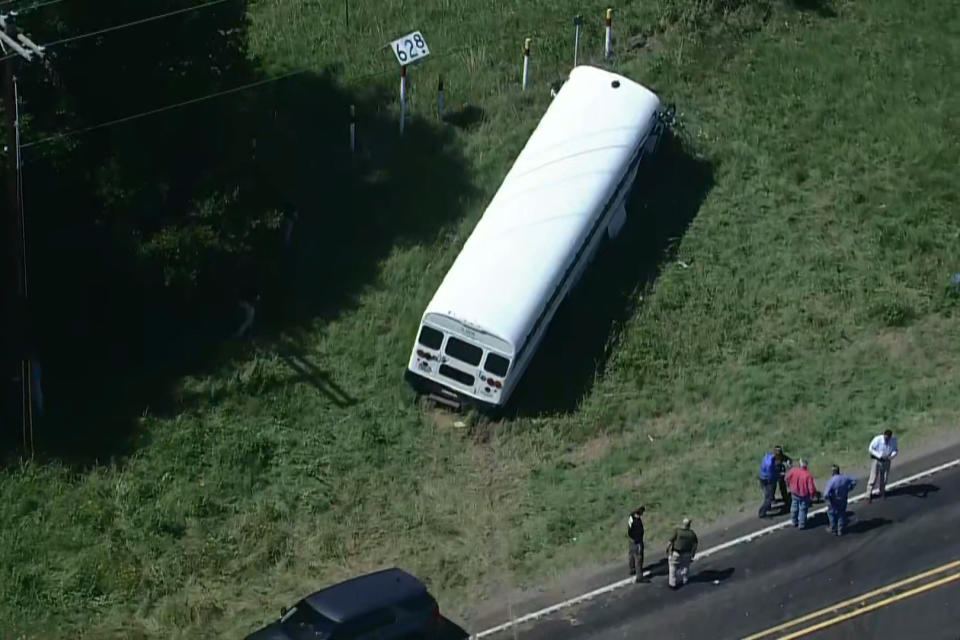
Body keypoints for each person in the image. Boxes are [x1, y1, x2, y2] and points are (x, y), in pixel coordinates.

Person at [823, 465, 857, 536]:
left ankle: (833, 527)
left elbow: (826, 494)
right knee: (841, 514)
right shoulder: (845, 477)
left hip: (834, 500)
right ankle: (840, 529)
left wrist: (828, 499)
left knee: (831, 513)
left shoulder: (831, 481)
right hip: (843, 499)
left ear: (832, 472)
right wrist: (849, 488)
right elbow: (854, 480)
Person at [784, 459, 817, 529]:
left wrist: (789, 485)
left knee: (794, 506)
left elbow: (786, 478)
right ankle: (801, 524)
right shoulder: (808, 475)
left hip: (794, 492)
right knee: (803, 509)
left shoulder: (793, 470)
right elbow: (811, 488)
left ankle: (794, 521)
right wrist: (812, 495)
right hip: (804, 495)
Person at [666, 518, 698, 589]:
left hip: (677, 553)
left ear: (683, 524)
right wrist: (693, 554)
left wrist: (667, 549)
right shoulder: (692, 534)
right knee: (686, 566)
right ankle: (685, 579)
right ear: (689, 525)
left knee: (673, 567)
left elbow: (670, 541)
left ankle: (672, 584)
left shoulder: (677, 531)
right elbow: (695, 545)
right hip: (687, 553)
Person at [868, 429, 898, 501]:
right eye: (885, 437)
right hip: (877, 460)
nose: (886, 439)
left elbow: (895, 450)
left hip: (887, 460)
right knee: (873, 477)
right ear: (883, 435)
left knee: (884, 477)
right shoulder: (877, 439)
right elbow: (871, 449)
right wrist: (879, 456)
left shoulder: (893, 440)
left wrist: (892, 456)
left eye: (888, 438)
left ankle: (882, 492)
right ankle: (868, 494)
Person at [627, 506, 647, 583]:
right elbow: (639, 533)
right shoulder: (637, 522)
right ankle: (639, 577)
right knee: (639, 558)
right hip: (637, 541)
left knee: (631, 555)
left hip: (631, 539)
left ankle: (632, 569)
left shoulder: (631, 517)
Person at [758, 449, 780, 518]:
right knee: (769, 497)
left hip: (762, 477)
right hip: (767, 480)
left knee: (767, 493)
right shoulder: (770, 464)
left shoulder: (767, 456)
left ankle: (768, 506)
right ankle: (762, 512)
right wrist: (778, 475)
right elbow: (771, 475)